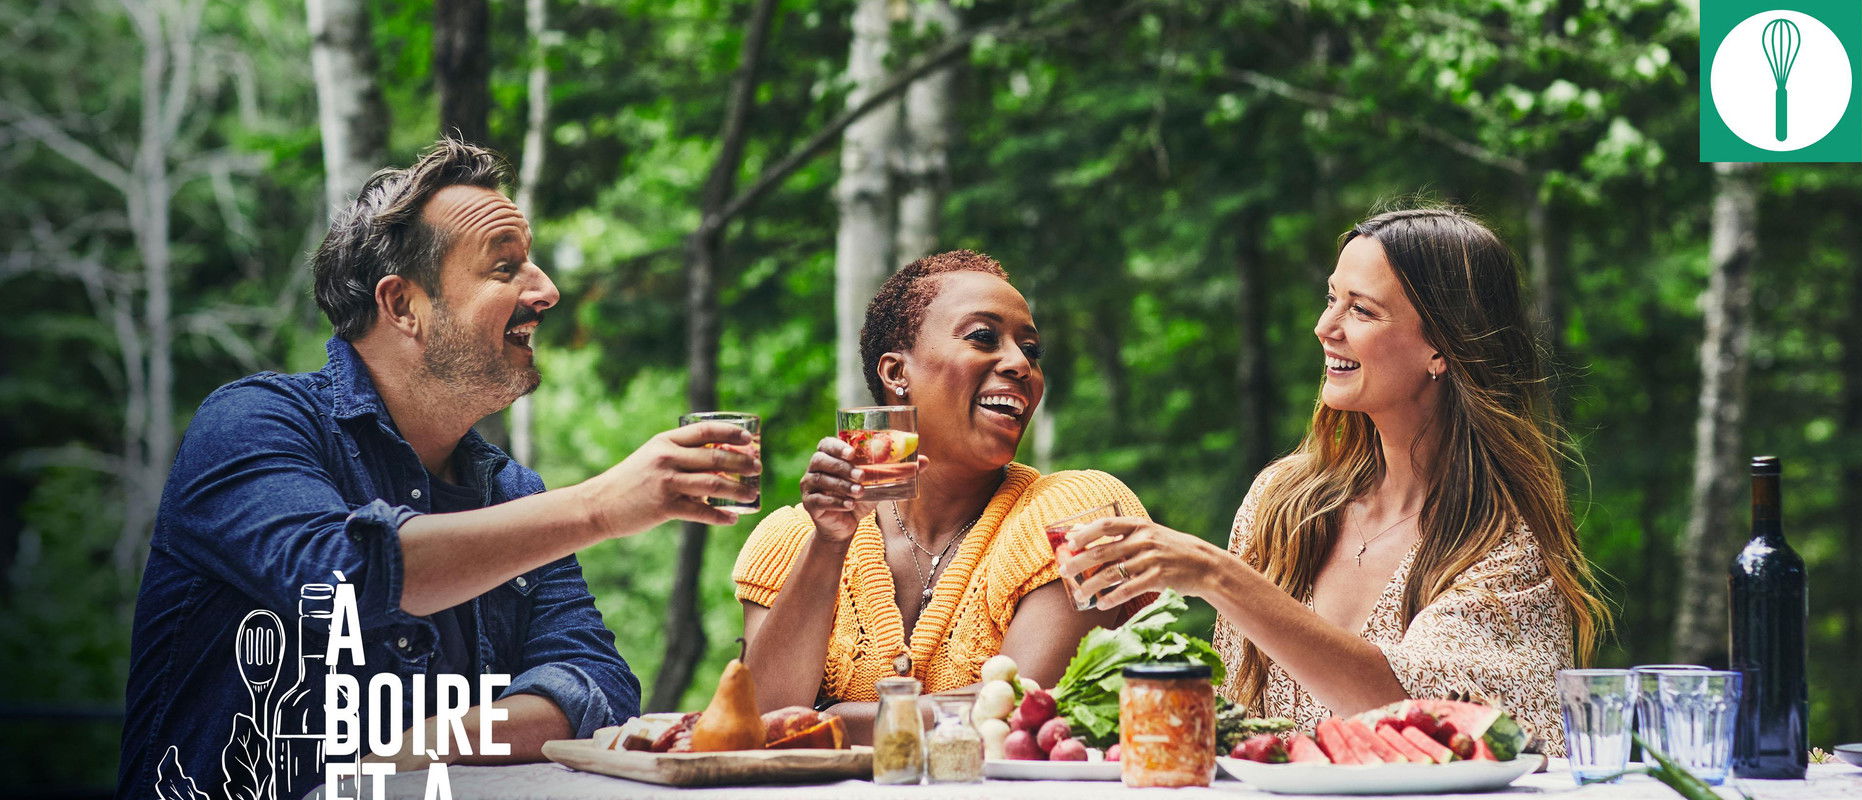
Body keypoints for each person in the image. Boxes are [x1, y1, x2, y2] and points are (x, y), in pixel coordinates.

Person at [119, 139, 759, 798]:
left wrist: (423, 746)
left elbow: (596, 682)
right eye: (505, 267)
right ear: (402, 306)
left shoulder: (510, 492)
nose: (546, 289)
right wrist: (598, 507)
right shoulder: (251, 423)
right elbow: (347, 574)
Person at [1060, 207, 1608, 756]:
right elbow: (1238, 724)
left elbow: (1420, 718)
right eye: (1331, 299)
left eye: (1362, 310)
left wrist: (1213, 574)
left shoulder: (1506, 544)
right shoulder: (1282, 502)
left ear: (1441, 347)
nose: (1325, 328)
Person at [732, 250, 1146, 741]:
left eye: (1031, 350)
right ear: (895, 372)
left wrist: (827, 718)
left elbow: (1021, 714)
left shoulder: (1073, 514)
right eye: (983, 337)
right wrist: (828, 543)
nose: (1020, 364)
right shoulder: (791, 539)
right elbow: (757, 726)